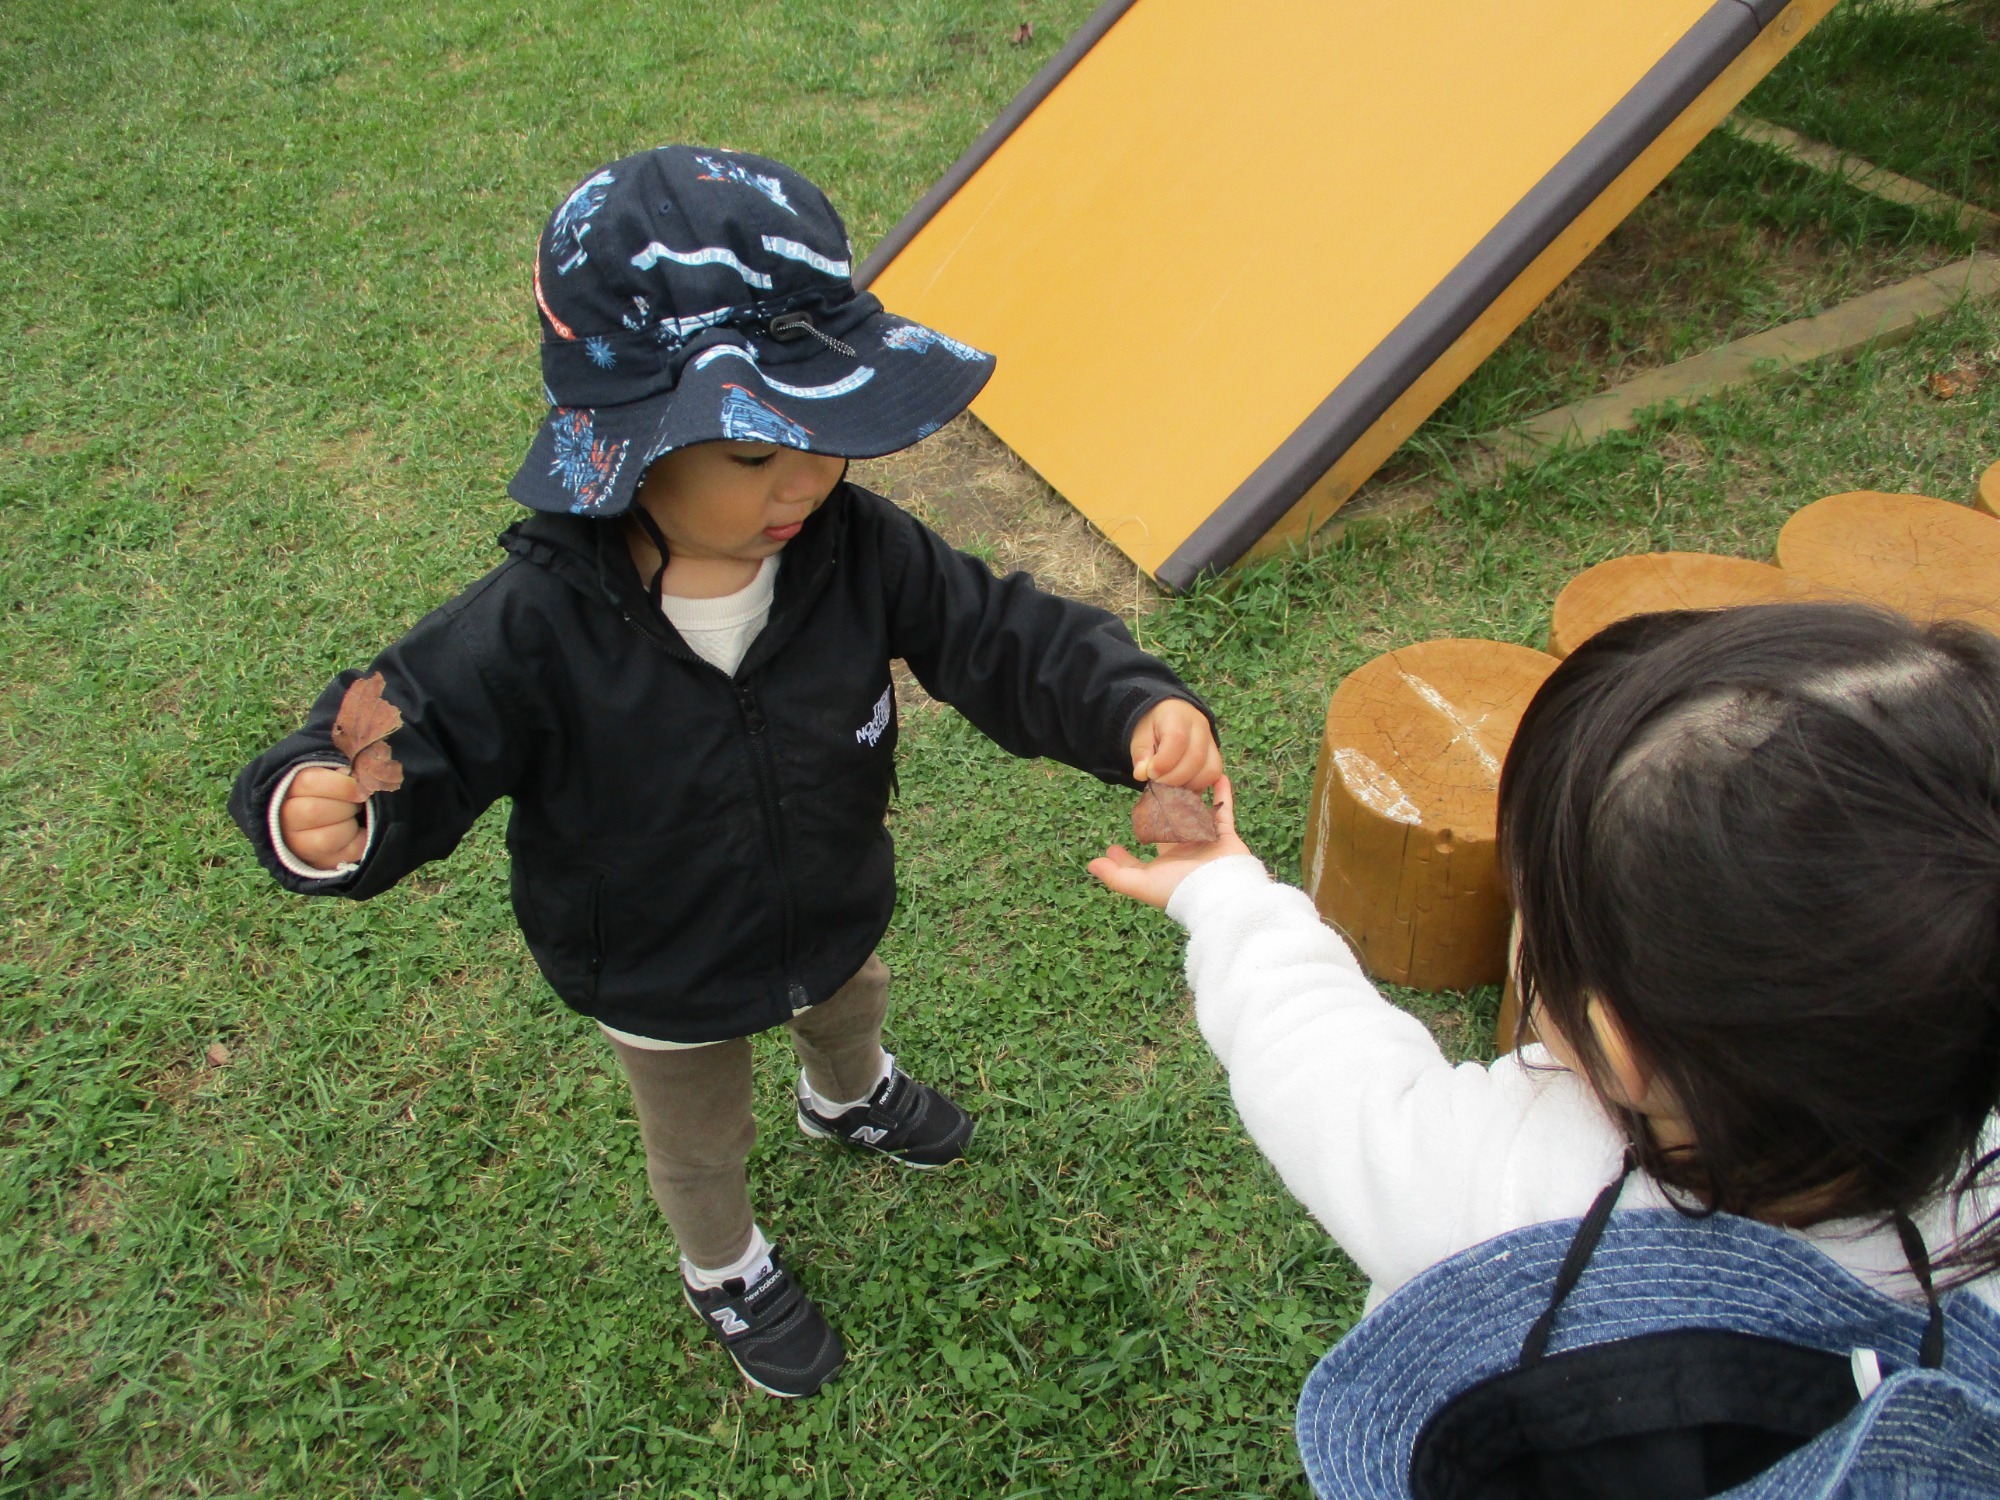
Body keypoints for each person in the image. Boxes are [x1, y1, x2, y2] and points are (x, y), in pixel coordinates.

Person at [231, 145, 1220, 1400]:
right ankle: (724, 1265)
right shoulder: (537, 616)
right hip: (652, 952)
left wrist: (1131, 705)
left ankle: (847, 1095)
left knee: (848, 1001)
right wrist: (325, 793)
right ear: (629, 446)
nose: (804, 480)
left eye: (822, 434)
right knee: (698, 1140)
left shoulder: (852, 545)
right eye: (754, 453)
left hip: (827, 890)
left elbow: (997, 633)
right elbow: (408, 720)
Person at [1090, 603, 2000, 1495]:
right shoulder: (1968, 1120)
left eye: (1528, 904)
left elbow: (1332, 1079)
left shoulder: (1514, 1188)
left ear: (1615, 1041)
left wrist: (1230, 901)